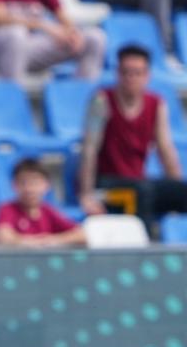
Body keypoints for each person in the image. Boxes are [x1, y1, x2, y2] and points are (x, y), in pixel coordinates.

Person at [78, 44, 187, 229]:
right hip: (106, 185)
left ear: (147, 75)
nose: (131, 78)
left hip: (138, 182)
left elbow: (166, 149)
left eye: (137, 73)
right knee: (142, 192)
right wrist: (86, 194)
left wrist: (175, 187)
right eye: (126, 72)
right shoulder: (101, 100)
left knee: (178, 192)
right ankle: (147, 243)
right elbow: (89, 150)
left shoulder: (156, 104)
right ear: (118, 73)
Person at [0, 156, 86, 246]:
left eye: (35, 183)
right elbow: (3, 236)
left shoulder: (48, 211)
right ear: (14, 185)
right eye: (23, 183)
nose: (29, 189)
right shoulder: (7, 209)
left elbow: (81, 235)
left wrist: (54, 240)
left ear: (46, 185)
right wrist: (33, 242)